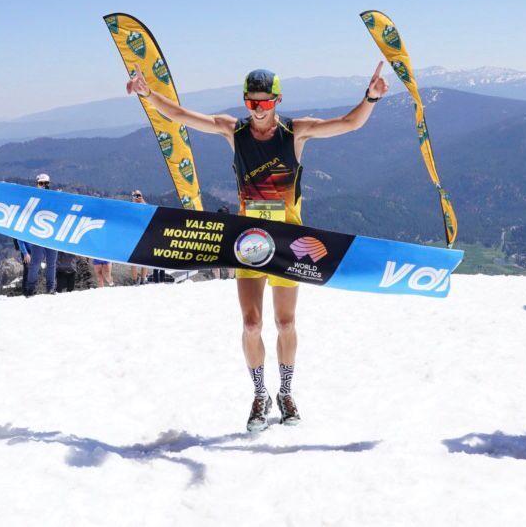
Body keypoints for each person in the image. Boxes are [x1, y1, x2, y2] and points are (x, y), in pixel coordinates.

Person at [127, 64, 388, 431]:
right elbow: (182, 116)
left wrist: (372, 97)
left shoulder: (295, 132)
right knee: (251, 324)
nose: (258, 109)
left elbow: (349, 123)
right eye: (252, 102)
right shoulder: (233, 131)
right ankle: (259, 395)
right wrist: (146, 94)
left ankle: (285, 392)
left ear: (278, 100)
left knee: (286, 322)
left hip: (289, 243)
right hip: (248, 242)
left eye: (265, 102)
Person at [18, 173, 58, 295]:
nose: (44, 186)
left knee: (51, 264)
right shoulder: (32, 199)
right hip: (38, 236)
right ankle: (30, 289)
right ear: (37, 184)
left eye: (46, 183)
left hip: (51, 236)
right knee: (35, 263)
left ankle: (50, 288)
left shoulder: (54, 198)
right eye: (41, 183)